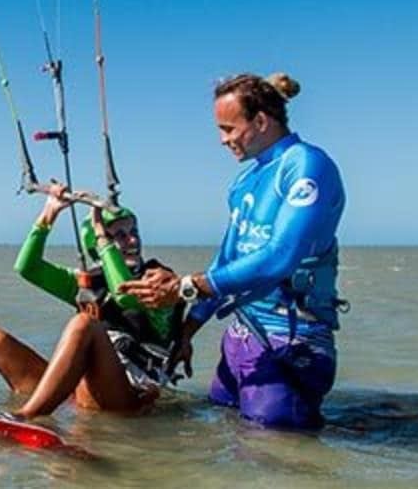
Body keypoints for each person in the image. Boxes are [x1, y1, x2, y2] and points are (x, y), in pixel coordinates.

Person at [123, 72, 347, 429]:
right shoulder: (244, 180)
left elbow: (280, 255)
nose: (222, 140)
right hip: (241, 340)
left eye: (228, 128)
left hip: (290, 343)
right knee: (222, 432)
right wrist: (186, 333)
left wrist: (185, 285)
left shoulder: (306, 165)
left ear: (260, 121)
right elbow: (226, 261)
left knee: (274, 456)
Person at [0, 183, 177, 419]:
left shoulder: (161, 280)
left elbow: (125, 296)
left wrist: (103, 235)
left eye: (133, 232)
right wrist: (49, 212)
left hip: (129, 398)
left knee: (84, 324)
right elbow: (27, 267)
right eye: (120, 235)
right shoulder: (86, 283)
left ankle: (27, 417)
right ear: (96, 245)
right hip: (80, 393)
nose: (132, 241)